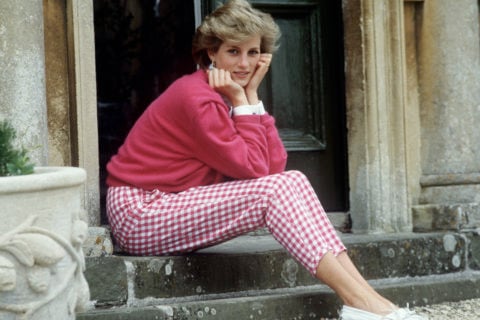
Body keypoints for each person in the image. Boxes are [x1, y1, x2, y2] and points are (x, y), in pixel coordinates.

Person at [105, 1, 427, 319]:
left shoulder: (228, 92)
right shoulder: (197, 98)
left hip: (171, 203)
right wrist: (240, 98)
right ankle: (360, 302)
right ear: (211, 54)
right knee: (274, 191)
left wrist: (252, 97)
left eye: (253, 52)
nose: (244, 64)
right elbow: (255, 171)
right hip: (140, 213)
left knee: (293, 180)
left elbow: (274, 168)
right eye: (233, 51)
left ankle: (368, 301)